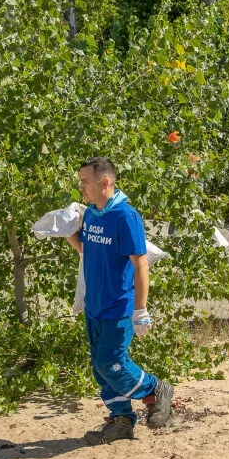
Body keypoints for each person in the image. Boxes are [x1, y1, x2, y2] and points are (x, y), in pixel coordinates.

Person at [65, 157, 174, 444]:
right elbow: (85, 251)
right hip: (95, 305)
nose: (81, 187)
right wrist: (66, 233)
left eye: (85, 181)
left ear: (104, 182)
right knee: (99, 370)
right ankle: (121, 421)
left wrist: (141, 309)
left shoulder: (126, 216)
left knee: (110, 363)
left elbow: (140, 264)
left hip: (119, 306)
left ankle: (156, 389)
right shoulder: (91, 215)